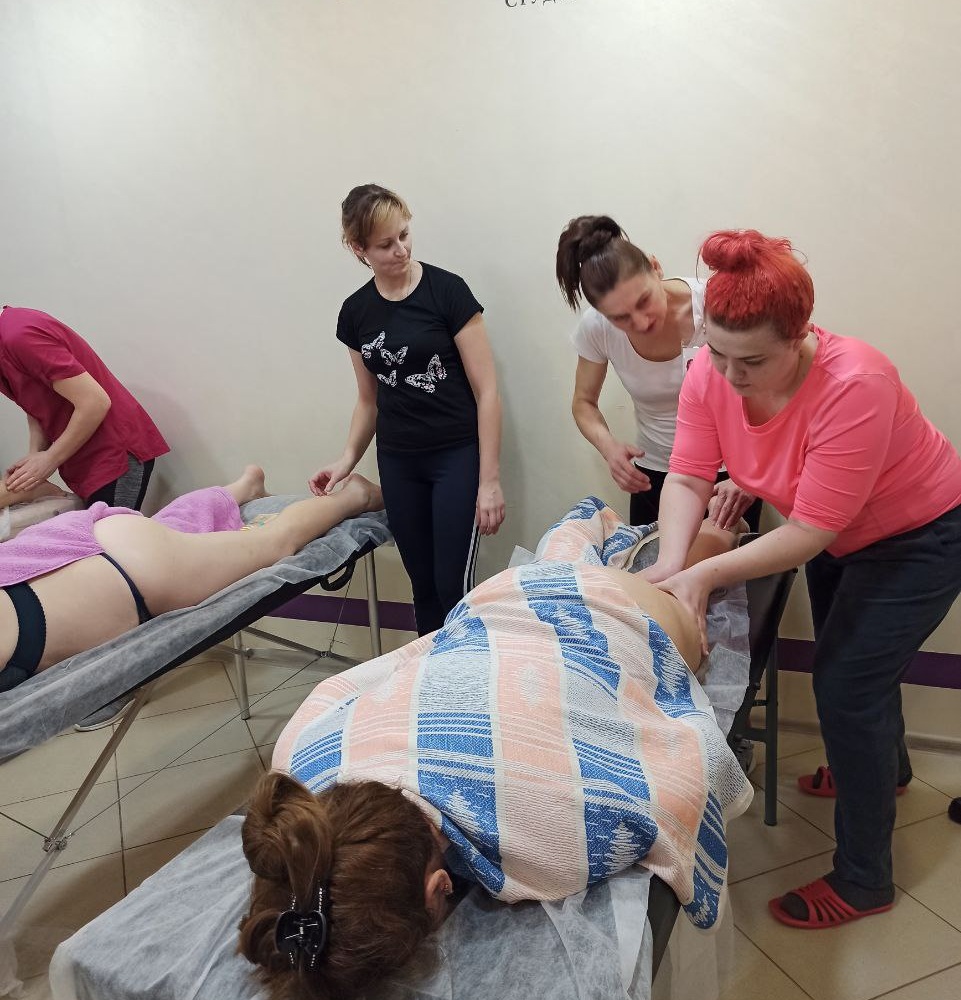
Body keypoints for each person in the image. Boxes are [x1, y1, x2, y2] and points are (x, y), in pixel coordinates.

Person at [239, 501, 753, 1000]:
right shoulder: (303, 761)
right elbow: (354, 682)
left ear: (439, 888)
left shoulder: (552, 827)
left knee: (690, 573)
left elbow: (683, 786)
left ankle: (719, 529)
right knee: (581, 547)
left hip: (617, 616)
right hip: (501, 601)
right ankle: (678, 524)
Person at [642, 229, 961, 929]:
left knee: (847, 686)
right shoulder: (711, 372)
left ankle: (865, 880)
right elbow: (688, 475)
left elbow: (810, 530)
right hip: (837, 537)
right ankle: (884, 772)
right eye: (717, 353)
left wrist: (703, 575)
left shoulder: (856, 382)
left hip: (920, 537)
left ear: (800, 335)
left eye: (752, 360)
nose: (730, 375)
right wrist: (670, 565)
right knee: (857, 674)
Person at [309, 184, 504, 636]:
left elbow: (488, 391)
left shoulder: (448, 292)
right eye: (385, 244)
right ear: (359, 249)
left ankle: (463, 673)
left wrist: (490, 480)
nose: (401, 249)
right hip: (398, 460)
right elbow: (368, 400)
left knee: (451, 586)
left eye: (404, 235)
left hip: (455, 455)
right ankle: (428, 676)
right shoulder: (356, 312)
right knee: (423, 588)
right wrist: (346, 460)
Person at [0, 468, 384, 692]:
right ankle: (242, 489)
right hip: (77, 548)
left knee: (274, 542)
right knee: (171, 528)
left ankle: (354, 495)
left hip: (137, 573)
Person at [555, 215, 760, 530]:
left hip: (732, 475)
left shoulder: (715, 303)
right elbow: (583, 402)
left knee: (732, 559)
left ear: (655, 267)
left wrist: (752, 470)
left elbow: (770, 390)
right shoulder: (597, 328)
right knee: (653, 559)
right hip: (656, 473)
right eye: (620, 317)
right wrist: (609, 447)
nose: (640, 322)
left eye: (644, 301)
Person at [0, 305, 169, 509]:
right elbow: (34, 404)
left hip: (114, 452)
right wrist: (35, 457)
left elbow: (95, 402)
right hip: (83, 455)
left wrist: (50, 459)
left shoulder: (20, 336)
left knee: (110, 529)